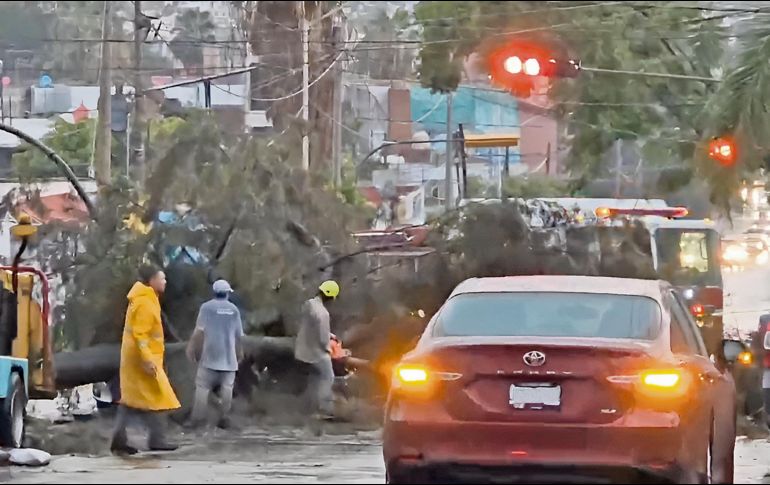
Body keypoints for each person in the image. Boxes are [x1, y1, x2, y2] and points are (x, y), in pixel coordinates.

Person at [111, 265, 180, 455]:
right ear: (152, 281)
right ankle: (156, 440)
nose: (165, 281)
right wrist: (148, 359)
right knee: (157, 396)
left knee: (132, 400)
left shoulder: (145, 300)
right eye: (162, 278)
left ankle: (120, 440)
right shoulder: (145, 303)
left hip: (138, 358)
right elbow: (140, 335)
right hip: (143, 360)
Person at [186, 279, 244, 428]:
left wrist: (191, 347)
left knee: (202, 387)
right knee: (227, 388)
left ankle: (197, 420)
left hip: (209, 356)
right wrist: (240, 353)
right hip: (229, 357)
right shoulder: (234, 310)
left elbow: (199, 331)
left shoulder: (206, 308)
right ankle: (224, 418)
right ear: (227, 293)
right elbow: (238, 336)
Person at [295, 280, 340, 418]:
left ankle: (309, 406)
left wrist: (330, 335)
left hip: (302, 348)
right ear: (330, 297)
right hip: (315, 352)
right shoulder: (324, 314)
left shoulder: (309, 304)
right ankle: (324, 409)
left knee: (315, 378)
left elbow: (312, 326)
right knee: (328, 376)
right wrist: (329, 349)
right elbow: (322, 339)